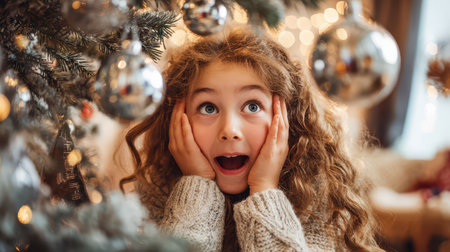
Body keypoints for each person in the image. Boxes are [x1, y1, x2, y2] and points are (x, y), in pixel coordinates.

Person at [120, 26, 382, 251]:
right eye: (208, 107)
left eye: (252, 106)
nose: (230, 130)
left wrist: (265, 188)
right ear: (178, 121)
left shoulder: (318, 205)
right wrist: (196, 188)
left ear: (289, 120)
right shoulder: (154, 200)